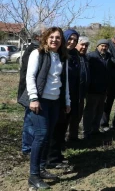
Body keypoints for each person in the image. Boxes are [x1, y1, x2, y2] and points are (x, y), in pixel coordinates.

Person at [17, 27, 70, 189]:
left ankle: (41, 168)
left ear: (62, 41)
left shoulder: (62, 57)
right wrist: (33, 98)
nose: (55, 40)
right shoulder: (38, 53)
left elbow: (64, 81)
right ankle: (33, 176)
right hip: (40, 101)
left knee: (48, 136)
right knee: (41, 135)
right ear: (46, 38)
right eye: (52, 37)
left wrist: (67, 101)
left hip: (55, 102)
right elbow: (30, 76)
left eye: (58, 38)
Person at [46, 29, 82, 169]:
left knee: (62, 128)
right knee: (55, 129)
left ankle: (58, 155)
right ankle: (51, 159)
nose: (72, 42)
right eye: (70, 39)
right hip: (56, 97)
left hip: (69, 98)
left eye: (75, 40)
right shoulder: (58, 56)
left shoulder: (73, 55)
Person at [18, 24, 46, 156]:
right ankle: (27, 148)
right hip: (28, 91)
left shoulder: (39, 49)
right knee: (29, 120)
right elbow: (29, 75)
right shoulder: (33, 50)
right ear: (37, 37)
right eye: (45, 34)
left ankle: (32, 146)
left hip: (33, 90)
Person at [83, 39, 112, 139]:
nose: (104, 48)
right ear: (97, 46)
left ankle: (95, 129)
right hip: (92, 89)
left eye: (106, 46)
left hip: (103, 89)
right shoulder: (91, 56)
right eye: (102, 45)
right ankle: (87, 132)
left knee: (99, 111)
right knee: (90, 111)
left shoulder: (108, 57)